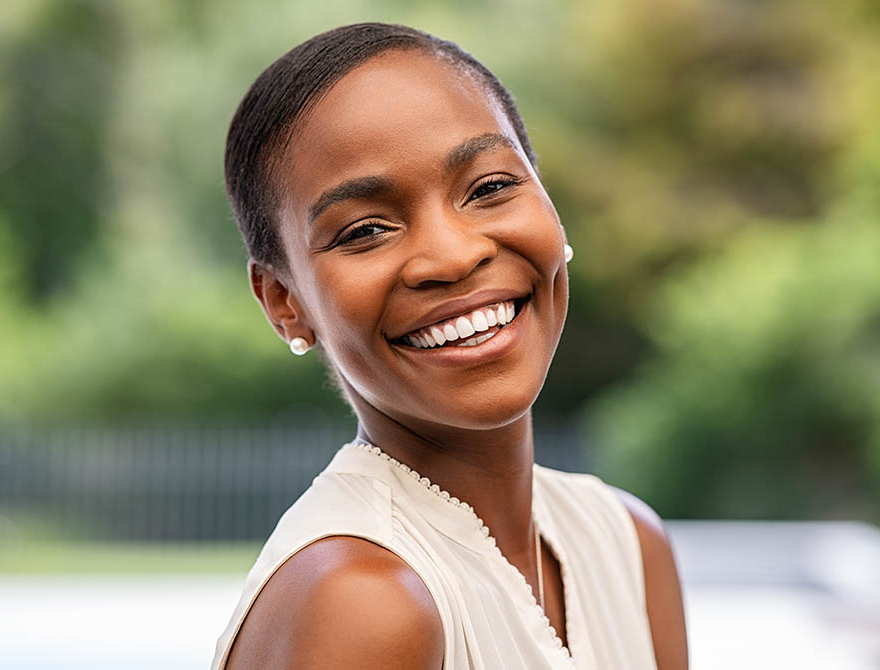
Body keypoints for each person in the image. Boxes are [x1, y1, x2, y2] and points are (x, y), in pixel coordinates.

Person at [213, 22, 688, 670]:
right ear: (283, 302)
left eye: (489, 187)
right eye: (365, 230)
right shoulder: (363, 601)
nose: (455, 255)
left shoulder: (627, 544)